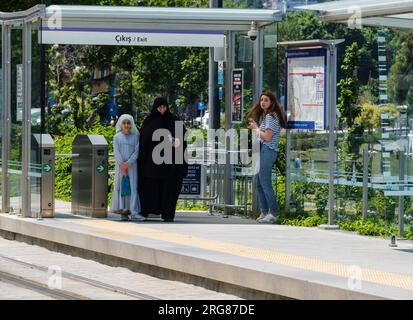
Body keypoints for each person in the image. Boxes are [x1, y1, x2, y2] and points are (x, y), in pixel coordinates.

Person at [138, 97, 188, 222]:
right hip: (152, 165)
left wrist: (177, 143)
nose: (162, 110)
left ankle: (168, 214)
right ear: (155, 107)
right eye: (159, 107)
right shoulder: (149, 121)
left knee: (169, 189)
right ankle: (146, 211)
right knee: (150, 189)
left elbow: (183, 139)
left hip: (170, 165)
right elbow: (143, 141)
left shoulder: (174, 120)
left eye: (164, 107)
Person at [246, 91, 286, 224]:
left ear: (272, 102)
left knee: (265, 182)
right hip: (263, 151)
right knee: (257, 183)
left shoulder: (271, 117)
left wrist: (256, 128)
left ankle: (273, 212)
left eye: (266, 100)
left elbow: (267, 137)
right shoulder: (268, 116)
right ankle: (264, 211)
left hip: (267, 151)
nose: (263, 102)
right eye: (261, 99)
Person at [110, 114, 145, 222]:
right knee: (121, 188)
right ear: (120, 124)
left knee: (133, 188)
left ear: (131, 125)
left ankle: (134, 212)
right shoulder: (116, 137)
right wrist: (122, 165)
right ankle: (123, 212)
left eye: (128, 123)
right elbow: (116, 152)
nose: (126, 125)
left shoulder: (135, 137)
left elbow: (136, 152)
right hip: (120, 167)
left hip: (132, 166)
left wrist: (128, 163)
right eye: (124, 123)